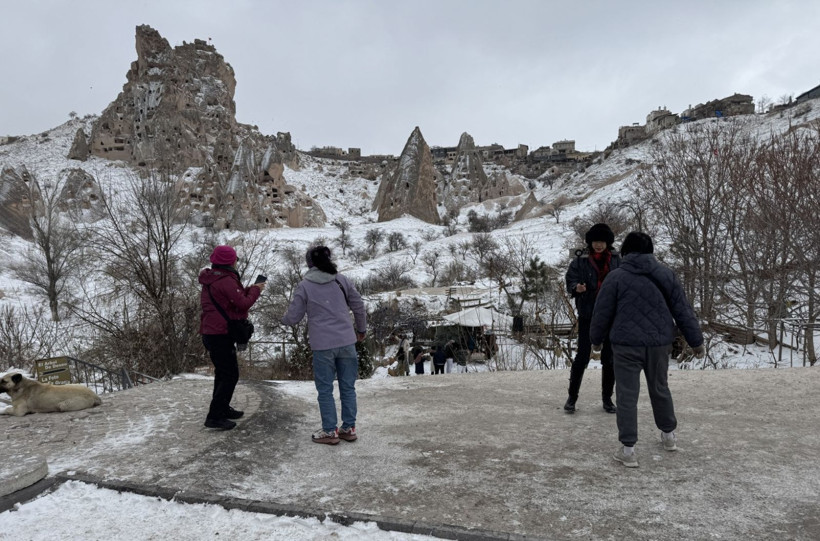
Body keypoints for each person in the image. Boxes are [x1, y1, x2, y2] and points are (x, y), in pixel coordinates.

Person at [590, 232, 705, 468]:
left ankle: (628, 449)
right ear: (650, 250)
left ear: (626, 251)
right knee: (660, 388)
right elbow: (682, 310)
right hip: (659, 343)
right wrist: (696, 341)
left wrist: (596, 341)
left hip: (625, 345)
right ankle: (669, 436)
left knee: (626, 395)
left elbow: (602, 313)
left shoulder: (615, 277)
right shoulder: (666, 274)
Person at [282, 246, 366, 445]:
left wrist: (283, 319)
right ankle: (348, 428)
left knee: (325, 389)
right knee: (348, 387)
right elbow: (358, 305)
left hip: (322, 345)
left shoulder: (305, 285)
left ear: (309, 263)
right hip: (347, 341)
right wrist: (361, 330)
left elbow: (294, 317)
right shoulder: (341, 280)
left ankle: (330, 431)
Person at [199, 245, 265, 430]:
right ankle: (214, 416)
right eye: (235, 259)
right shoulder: (225, 280)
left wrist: (249, 289)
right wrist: (256, 290)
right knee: (230, 374)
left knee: (223, 373)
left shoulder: (214, 278)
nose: (237, 262)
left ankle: (222, 409)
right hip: (220, 334)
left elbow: (232, 299)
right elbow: (243, 304)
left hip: (213, 332)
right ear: (230, 261)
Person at [564, 223, 621, 414]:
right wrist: (575, 287)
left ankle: (607, 399)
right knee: (582, 357)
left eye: (602, 241)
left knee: (609, 359)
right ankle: (572, 398)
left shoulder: (617, 260)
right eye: (595, 241)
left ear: (608, 242)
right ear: (590, 242)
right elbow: (570, 278)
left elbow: (625, 281)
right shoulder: (580, 260)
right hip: (588, 313)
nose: (598, 245)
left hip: (611, 316)